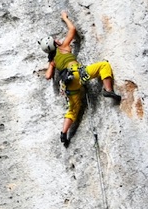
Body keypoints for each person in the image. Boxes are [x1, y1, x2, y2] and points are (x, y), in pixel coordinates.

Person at [44, 10, 118, 145]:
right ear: (55, 44)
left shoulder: (53, 60)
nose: (58, 40)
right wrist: (65, 18)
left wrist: (51, 64)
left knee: (73, 109)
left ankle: (64, 133)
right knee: (103, 66)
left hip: (69, 84)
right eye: (55, 40)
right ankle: (108, 89)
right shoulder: (64, 47)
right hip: (78, 73)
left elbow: (48, 76)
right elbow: (72, 29)